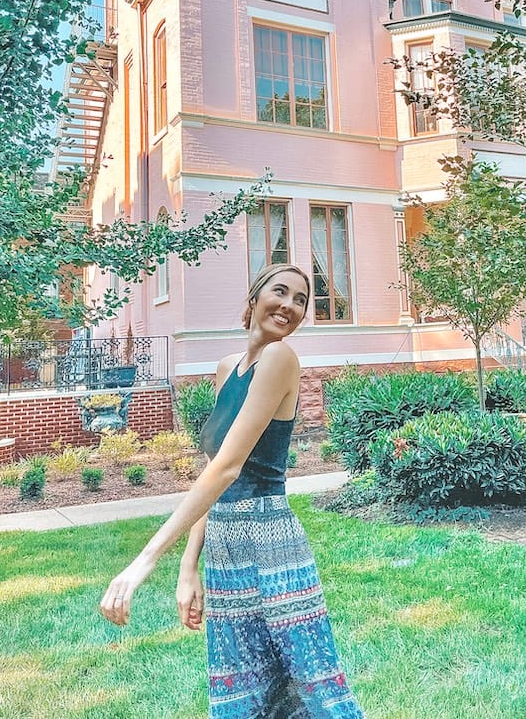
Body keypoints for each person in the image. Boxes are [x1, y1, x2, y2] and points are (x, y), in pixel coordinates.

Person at [100, 263, 364, 717]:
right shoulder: (227, 369)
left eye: (301, 299)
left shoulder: (282, 359)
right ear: (253, 298)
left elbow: (229, 468)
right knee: (242, 687)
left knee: (313, 684)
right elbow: (211, 468)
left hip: (271, 540)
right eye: (280, 292)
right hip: (225, 544)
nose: (289, 305)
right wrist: (189, 567)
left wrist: (146, 559)